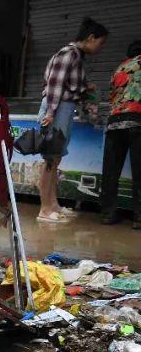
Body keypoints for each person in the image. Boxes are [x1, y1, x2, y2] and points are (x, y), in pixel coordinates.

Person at [36, 17, 108, 223]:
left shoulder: (75, 56)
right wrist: (50, 114)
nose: (100, 47)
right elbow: (54, 86)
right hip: (56, 109)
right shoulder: (69, 54)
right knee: (50, 158)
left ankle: (53, 204)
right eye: (101, 42)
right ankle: (44, 209)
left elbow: (70, 87)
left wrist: (86, 89)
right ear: (91, 37)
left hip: (64, 109)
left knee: (56, 158)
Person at [100, 40, 141, 227]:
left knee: (111, 172)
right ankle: (139, 218)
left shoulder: (119, 68)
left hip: (115, 123)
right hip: (137, 121)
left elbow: (112, 96)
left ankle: (108, 214)